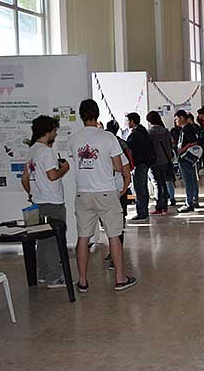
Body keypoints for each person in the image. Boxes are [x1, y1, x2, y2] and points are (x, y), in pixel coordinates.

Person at [68, 99, 137, 292]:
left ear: (81, 116)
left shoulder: (73, 139)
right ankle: (120, 278)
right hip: (105, 192)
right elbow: (117, 166)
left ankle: (82, 281)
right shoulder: (107, 137)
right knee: (114, 235)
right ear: (97, 114)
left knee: (83, 238)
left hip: (83, 193)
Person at [21, 116, 70, 289]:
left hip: (39, 202)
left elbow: (25, 178)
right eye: (55, 131)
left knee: (41, 240)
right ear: (48, 131)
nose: (55, 134)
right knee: (54, 241)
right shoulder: (46, 151)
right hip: (53, 202)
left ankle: (42, 273)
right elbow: (52, 175)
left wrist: (31, 193)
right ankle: (54, 278)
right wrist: (64, 168)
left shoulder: (32, 150)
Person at [104, 119, 132, 268]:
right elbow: (128, 173)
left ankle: (115, 254)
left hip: (116, 192)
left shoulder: (114, 146)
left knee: (115, 225)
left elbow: (126, 172)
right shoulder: (121, 143)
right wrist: (124, 190)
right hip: (117, 192)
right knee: (116, 224)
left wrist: (123, 191)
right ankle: (114, 253)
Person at [126, 112, 154, 221]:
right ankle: (144, 211)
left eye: (128, 121)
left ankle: (142, 212)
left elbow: (129, 147)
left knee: (139, 189)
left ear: (132, 121)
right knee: (143, 188)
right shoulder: (143, 131)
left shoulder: (136, 134)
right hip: (145, 163)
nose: (127, 123)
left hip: (139, 163)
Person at [146, 111, 172, 215]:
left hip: (154, 161)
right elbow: (169, 146)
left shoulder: (149, 133)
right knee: (163, 184)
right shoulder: (165, 131)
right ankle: (164, 206)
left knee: (156, 184)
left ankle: (159, 206)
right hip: (165, 160)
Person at [175, 110, 200, 213]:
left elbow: (193, 142)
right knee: (192, 179)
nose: (176, 121)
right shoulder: (187, 128)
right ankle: (194, 200)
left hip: (186, 157)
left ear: (181, 118)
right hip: (186, 157)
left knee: (188, 180)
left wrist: (183, 149)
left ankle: (189, 203)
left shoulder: (187, 129)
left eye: (176, 119)